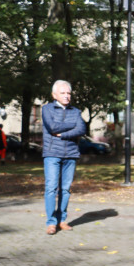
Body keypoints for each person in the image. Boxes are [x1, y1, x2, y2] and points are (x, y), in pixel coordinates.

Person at [41, 80, 85, 235]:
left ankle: (62, 220)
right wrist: (72, 124)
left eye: (69, 93)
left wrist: (64, 133)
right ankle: (51, 222)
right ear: (54, 95)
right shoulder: (46, 109)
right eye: (63, 93)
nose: (67, 96)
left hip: (71, 154)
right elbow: (52, 127)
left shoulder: (76, 111)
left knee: (65, 189)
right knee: (51, 188)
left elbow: (82, 128)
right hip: (52, 153)